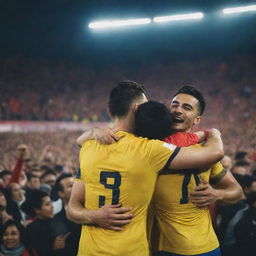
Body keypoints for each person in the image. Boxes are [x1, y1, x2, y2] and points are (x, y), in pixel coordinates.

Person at [77, 85, 243, 256]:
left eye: (187, 107)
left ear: (197, 120)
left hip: (201, 247)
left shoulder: (201, 153)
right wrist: (94, 132)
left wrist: (217, 194)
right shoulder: (148, 147)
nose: (178, 110)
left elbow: (237, 192)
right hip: (157, 247)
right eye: (175, 104)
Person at [23, 190, 69, 256]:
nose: (52, 207)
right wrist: (53, 247)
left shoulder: (56, 221)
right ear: (37, 210)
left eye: (51, 203)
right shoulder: (33, 228)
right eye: (47, 204)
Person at [51, 173, 81, 256]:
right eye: (71, 185)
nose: (76, 187)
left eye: (76, 184)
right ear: (61, 193)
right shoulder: (56, 221)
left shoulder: (92, 209)